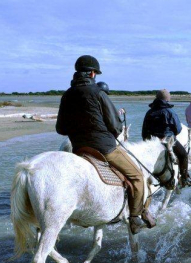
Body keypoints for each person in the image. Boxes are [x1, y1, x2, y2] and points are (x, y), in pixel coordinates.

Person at [56, 55, 155, 234]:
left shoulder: (66, 95)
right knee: (137, 176)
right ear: (93, 73)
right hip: (104, 148)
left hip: (79, 149)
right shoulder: (98, 93)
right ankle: (134, 219)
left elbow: (61, 129)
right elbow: (116, 126)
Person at [142, 89, 191, 188]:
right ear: (167, 99)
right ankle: (184, 178)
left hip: (152, 141)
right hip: (167, 139)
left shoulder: (149, 112)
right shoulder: (170, 112)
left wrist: (147, 141)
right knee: (183, 155)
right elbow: (178, 130)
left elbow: (144, 131)